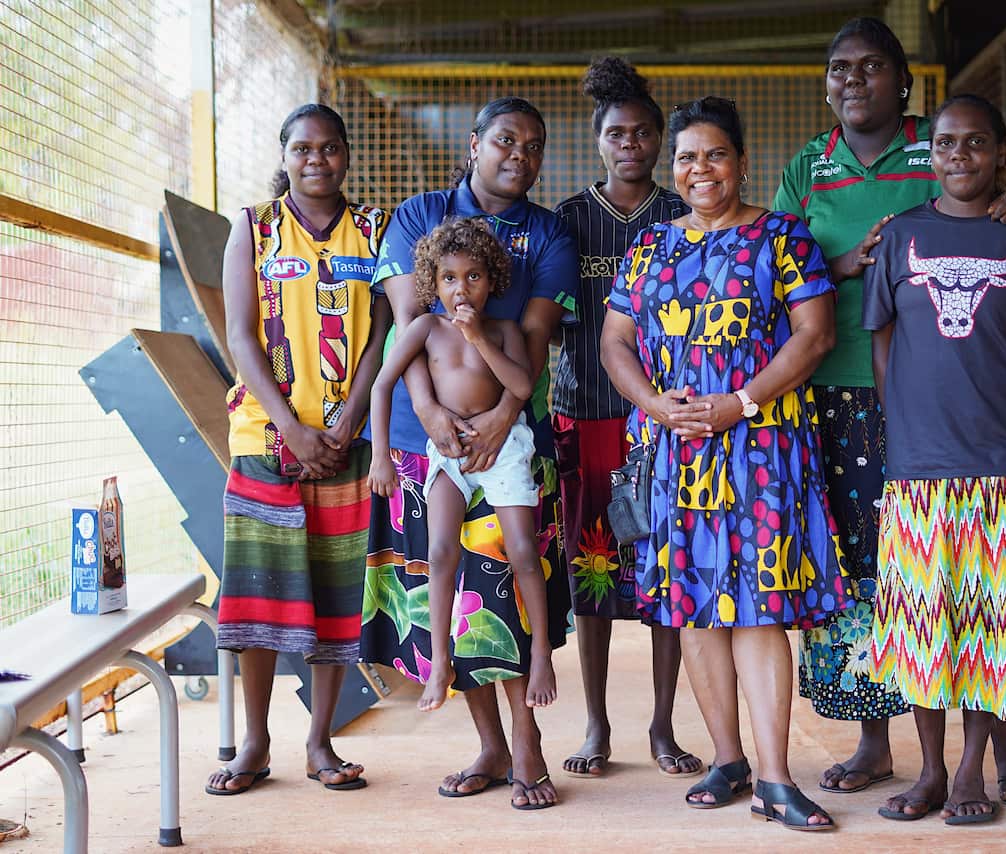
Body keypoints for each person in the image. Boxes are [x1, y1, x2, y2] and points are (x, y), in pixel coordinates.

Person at [774, 16, 1006, 808]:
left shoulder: (942, 144)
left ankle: (1001, 745)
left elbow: (989, 191)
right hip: (830, 393)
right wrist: (845, 261)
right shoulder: (808, 166)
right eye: (838, 69)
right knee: (868, 575)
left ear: (903, 82)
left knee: (970, 575)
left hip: (940, 401)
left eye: (868, 67)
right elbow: (775, 270)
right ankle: (874, 739)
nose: (851, 80)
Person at [601, 96, 851, 832]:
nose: (699, 168)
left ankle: (774, 777)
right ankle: (726, 759)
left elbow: (815, 335)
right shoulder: (649, 246)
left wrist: (739, 401)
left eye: (714, 154)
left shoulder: (782, 237)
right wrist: (652, 405)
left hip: (761, 446)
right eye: (686, 157)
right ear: (671, 169)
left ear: (742, 163)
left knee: (759, 606)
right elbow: (615, 340)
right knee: (696, 609)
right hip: (675, 449)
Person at [359, 97, 577, 811]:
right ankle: (489, 742)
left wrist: (500, 417)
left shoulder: (546, 233)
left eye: (534, 144)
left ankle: (528, 741)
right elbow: (408, 325)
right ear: (474, 145)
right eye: (506, 140)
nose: (520, 154)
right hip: (429, 441)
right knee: (454, 589)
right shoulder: (419, 215)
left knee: (510, 581)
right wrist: (430, 414)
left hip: (506, 435)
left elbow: (533, 346)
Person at [865, 93, 1006, 825]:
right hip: (919, 465)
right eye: (947, 144)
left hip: (1004, 460)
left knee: (989, 624)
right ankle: (926, 772)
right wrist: (908, 417)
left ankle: (969, 776)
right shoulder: (900, 239)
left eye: (975, 143)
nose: (960, 156)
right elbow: (881, 337)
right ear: (932, 154)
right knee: (921, 626)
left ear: (999, 150)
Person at [208, 104, 389, 795]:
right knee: (261, 601)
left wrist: (348, 423)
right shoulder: (252, 228)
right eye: (303, 149)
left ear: (347, 155)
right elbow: (241, 335)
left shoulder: (374, 229)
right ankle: (254, 744)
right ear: (284, 156)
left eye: (330, 148)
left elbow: (382, 334)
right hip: (265, 439)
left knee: (335, 593)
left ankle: (320, 741)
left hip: (344, 438)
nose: (317, 160)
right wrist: (291, 426)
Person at [552, 56, 701, 781]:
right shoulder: (571, 221)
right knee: (595, 580)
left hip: (667, 423)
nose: (632, 144)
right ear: (600, 140)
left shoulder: (682, 215)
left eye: (645, 133)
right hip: (587, 416)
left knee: (664, 577)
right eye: (619, 132)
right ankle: (596, 724)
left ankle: (664, 727)